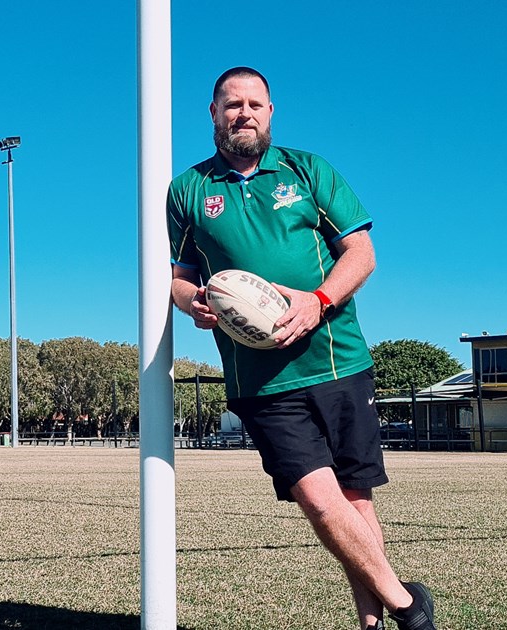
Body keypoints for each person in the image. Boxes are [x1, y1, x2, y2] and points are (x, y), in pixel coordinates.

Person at [167, 66, 436, 630]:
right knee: (318, 501)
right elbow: (180, 277)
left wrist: (318, 301)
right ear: (213, 113)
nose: (244, 113)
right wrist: (193, 302)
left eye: (255, 104)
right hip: (260, 380)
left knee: (355, 500)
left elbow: (361, 254)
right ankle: (410, 608)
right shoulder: (188, 189)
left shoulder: (308, 170)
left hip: (337, 359)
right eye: (232, 104)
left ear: (270, 112)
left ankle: (372, 623)